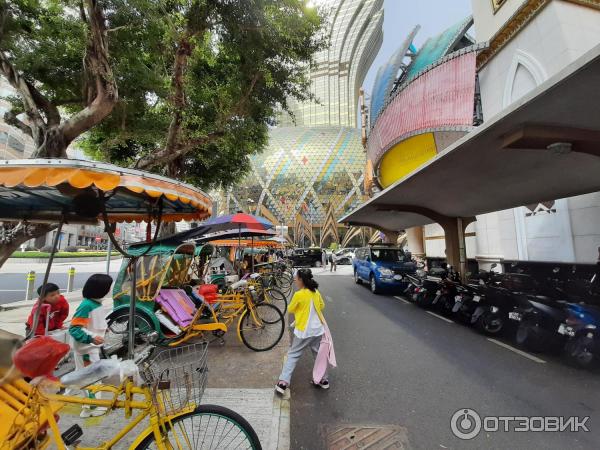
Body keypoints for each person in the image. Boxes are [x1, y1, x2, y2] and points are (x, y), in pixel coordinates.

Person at [276, 268, 329, 395]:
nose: (295, 280)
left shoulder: (299, 294)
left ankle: (283, 382)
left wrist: (301, 308)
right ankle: (323, 380)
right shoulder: (315, 292)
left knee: (293, 355)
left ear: (301, 280)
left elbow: (290, 309)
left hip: (304, 331)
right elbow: (322, 306)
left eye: (296, 278)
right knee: (319, 355)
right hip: (317, 330)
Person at [69, 273, 113, 418]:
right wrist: (91, 338)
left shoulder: (94, 303)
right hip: (87, 348)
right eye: (107, 287)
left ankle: (84, 403)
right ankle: (90, 407)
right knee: (92, 378)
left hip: (89, 347)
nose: (109, 290)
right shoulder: (87, 305)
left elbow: (91, 323)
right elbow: (75, 328)